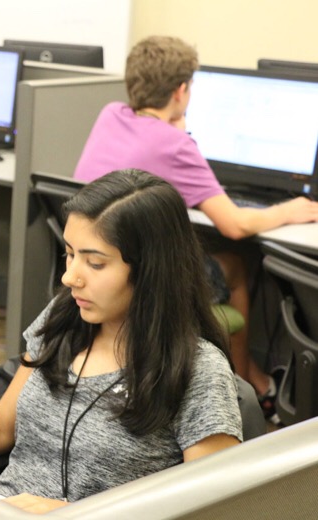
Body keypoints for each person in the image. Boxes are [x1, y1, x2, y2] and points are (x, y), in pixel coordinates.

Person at [0, 169, 242, 513]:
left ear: (151, 270)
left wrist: (68, 513)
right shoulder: (65, 316)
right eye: (69, 254)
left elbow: (211, 509)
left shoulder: (199, 372)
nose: (70, 277)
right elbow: (0, 426)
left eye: (95, 263)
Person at [73, 35, 318, 420]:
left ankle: (246, 377)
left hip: (98, 260)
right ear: (182, 90)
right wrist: (290, 210)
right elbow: (234, 224)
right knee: (237, 264)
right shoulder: (174, 143)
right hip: (144, 276)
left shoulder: (111, 115)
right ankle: (244, 379)